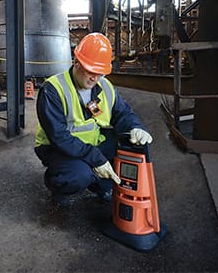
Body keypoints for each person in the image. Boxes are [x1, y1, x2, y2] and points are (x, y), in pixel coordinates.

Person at [34, 32, 153, 207]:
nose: (95, 78)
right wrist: (97, 159)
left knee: (131, 144)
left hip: (94, 142)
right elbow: (59, 137)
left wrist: (136, 127)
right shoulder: (53, 90)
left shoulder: (104, 86)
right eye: (90, 71)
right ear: (77, 63)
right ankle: (59, 185)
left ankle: (101, 184)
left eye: (100, 73)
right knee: (77, 176)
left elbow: (123, 113)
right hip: (58, 148)